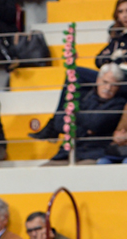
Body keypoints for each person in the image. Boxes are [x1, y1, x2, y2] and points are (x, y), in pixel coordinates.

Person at [31, 1, 127, 142]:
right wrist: (117, 58)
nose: (125, 15)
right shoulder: (117, 36)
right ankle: (59, 123)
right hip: (112, 77)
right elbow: (99, 60)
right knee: (75, 74)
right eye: (121, 12)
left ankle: (57, 125)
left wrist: (115, 59)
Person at [44, 64, 125, 165]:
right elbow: (59, 123)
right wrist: (86, 127)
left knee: (81, 173)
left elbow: (96, 123)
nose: (108, 88)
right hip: (66, 154)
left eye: (114, 85)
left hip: (92, 155)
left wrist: (74, 116)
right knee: (39, 173)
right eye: (105, 82)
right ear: (98, 80)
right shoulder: (84, 96)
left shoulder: (119, 103)